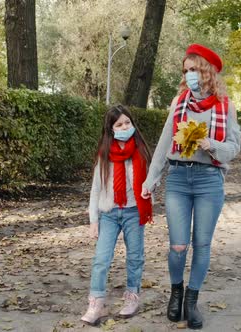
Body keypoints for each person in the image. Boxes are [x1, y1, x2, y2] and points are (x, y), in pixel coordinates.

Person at [141, 44, 241, 329]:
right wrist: (152, 178)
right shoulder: (178, 102)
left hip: (210, 179)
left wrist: (213, 146)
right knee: (178, 245)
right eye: (185, 71)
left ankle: (191, 301)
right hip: (179, 179)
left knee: (201, 244)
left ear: (207, 71)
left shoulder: (226, 106)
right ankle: (176, 292)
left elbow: (234, 147)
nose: (189, 75)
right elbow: (163, 143)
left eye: (193, 69)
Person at [81, 105, 153, 326]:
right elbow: (95, 190)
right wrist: (94, 220)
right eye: (119, 124)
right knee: (101, 259)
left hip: (133, 212)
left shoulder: (140, 152)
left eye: (127, 123)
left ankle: (132, 296)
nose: (124, 127)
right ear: (111, 129)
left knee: (134, 257)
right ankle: (97, 303)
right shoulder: (105, 156)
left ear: (133, 124)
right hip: (109, 214)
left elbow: (150, 182)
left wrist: (150, 190)